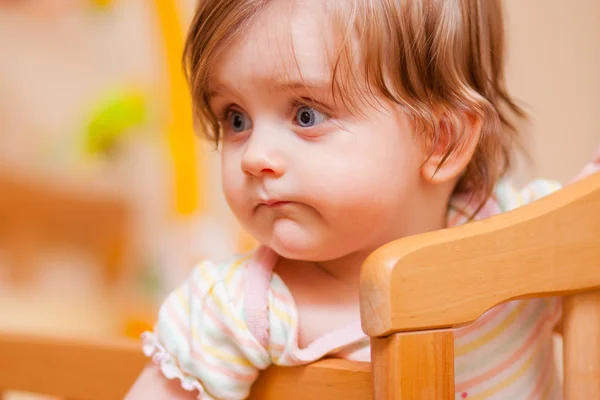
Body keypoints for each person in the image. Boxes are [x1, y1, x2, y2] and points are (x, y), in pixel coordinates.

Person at [126, 1, 600, 398]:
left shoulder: (523, 235)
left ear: (441, 140)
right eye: (235, 119)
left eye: (306, 115)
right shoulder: (234, 309)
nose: (255, 156)